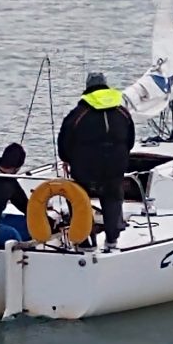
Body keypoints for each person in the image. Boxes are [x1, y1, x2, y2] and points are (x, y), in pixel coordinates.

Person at [57, 72, 135, 251]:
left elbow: (65, 139)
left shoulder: (79, 113)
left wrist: (66, 158)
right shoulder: (122, 111)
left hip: (85, 169)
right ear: (106, 86)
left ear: (87, 88)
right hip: (115, 166)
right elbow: (130, 140)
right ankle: (112, 240)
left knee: (79, 199)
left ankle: (86, 241)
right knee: (113, 198)